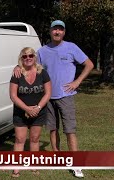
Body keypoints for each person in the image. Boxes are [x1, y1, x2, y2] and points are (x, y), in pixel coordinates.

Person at [13, 20, 94, 178]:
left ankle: (76, 165)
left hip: (66, 96)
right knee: (52, 128)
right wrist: (17, 66)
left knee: (70, 130)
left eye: (60, 30)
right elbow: (30, 64)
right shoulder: (42, 51)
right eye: (54, 29)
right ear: (50, 32)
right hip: (48, 97)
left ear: (64, 32)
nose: (57, 32)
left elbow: (89, 64)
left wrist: (77, 82)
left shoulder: (71, 47)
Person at [10, 47, 51, 178]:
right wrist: (27, 109)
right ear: (21, 58)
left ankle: (34, 166)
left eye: (30, 56)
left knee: (34, 139)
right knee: (19, 139)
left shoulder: (43, 73)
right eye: (24, 56)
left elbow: (48, 93)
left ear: (35, 57)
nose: (28, 58)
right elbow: (13, 96)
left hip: (39, 112)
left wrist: (37, 108)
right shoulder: (17, 73)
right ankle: (16, 169)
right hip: (20, 112)